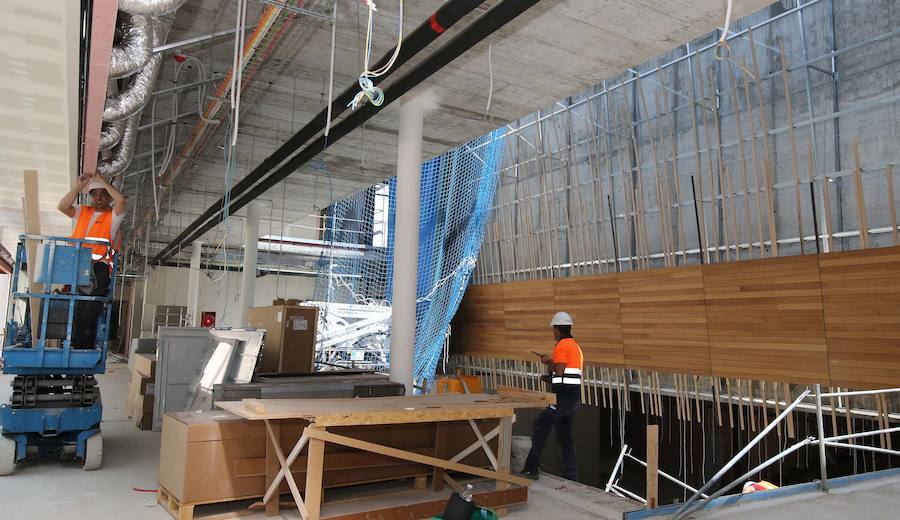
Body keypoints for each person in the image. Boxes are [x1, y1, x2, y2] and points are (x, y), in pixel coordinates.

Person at [520, 311, 584, 481]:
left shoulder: (562, 346)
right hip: (572, 397)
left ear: (558, 329)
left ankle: (531, 469)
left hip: (563, 398)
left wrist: (548, 361)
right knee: (565, 437)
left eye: (553, 329)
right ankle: (571, 475)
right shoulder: (575, 347)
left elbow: (561, 370)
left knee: (540, 426)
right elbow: (568, 374)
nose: (553, 333)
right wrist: (550, 378)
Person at [57, 173, 126, 294]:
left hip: (99, 263)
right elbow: (62, 207)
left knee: (96, 292)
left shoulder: (113, 217)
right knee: (71, 293)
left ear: (109, 198)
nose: (98, 198)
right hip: (76, 260)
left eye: (103, 194)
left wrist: (102, 181)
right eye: (95, 194)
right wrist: (79, 186)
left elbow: (120, 200)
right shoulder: (82, 211)